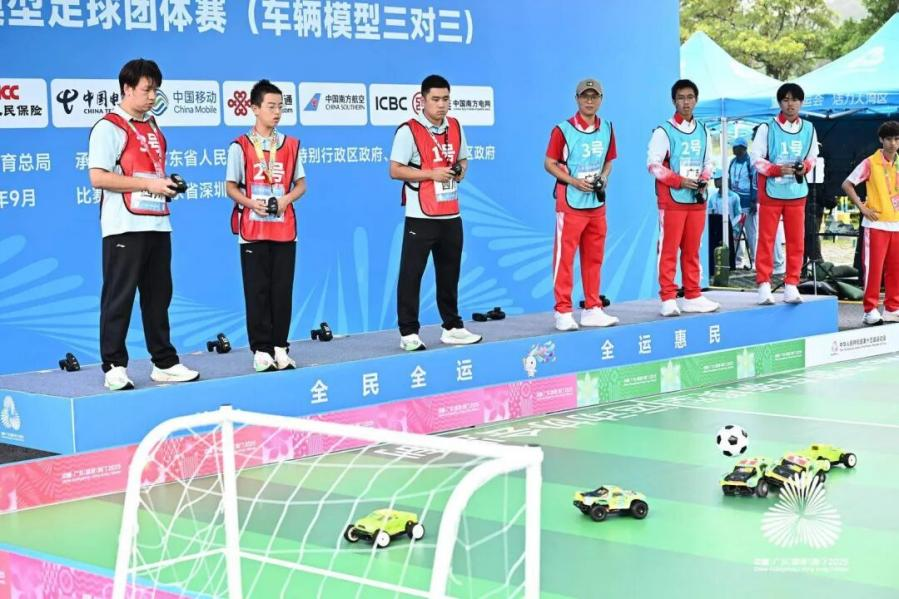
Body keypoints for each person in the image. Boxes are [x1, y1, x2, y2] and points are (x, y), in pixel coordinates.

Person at [88, 58, 199, 391]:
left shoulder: (153, 127)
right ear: (127, 88)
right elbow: (98, 177)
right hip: (123, 226)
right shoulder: (108, 127)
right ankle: (114, 366)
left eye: (156, 90)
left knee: (158, 297)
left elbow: (151, 173)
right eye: (147, 89)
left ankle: (164, 362)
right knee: (119, 297)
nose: (153, 96)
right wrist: (149, 184)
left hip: (157, 223)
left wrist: (165, 187)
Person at [388, 74, 482, 351]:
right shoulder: (409, 130)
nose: (441, 105)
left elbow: (463, 158)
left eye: (445, 99)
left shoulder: (455, 126)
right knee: (412, 274)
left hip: (451, 213)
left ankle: (452, 327)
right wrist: (431, 174)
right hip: (421, 215)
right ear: (422, 100)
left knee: (449, 273)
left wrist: (460, 171)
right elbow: (395, 170)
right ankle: (408, 332)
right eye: (435, 99)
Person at [226, 80, 307, 371]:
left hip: (283, 228)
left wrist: (286, 199)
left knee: (282, 291)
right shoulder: (240, 146)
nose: (277, 112)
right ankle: (261, 349)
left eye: (280, 107)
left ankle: (280, 346)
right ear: (254, 108)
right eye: (271, 106)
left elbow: (301, 185)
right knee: (257, 290)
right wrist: (251, 203)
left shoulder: (290, 145)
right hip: (253, 230)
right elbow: (230, 187)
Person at [543, 78, 619, 331]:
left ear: (601, 99)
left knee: (594, 257)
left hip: (596, 204)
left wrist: (604, 177)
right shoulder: (562, 130)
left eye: (594, 96)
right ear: (576, 99)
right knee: (564, 258)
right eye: (584, 96)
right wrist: (573, 181)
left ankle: (592, 308)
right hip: (571, 203)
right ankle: (563, 311)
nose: (589, 101)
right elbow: (549, 163)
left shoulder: (607, 128)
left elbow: (609, 161)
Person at [647, 79, 720, 316]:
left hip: (696, 198)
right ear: (673, 101)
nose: (686, 102)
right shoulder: (664, 131)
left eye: (690, 97)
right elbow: (653, 165)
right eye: (681, 98)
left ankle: (692, 295)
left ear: (696, 100)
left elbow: (709, 162)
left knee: (693, 249)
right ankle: (668, 298)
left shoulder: (703, 130)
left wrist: (704, 178)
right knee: (669, 249)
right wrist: (679, 181)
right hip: (672, 200)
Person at [749, 82, 819, 305]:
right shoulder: (767, 128)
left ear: (801, 103)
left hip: (796, 192)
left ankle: (791, 284)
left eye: (795, 100)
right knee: (766, 239)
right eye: (786, 100)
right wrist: (776, 170)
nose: (791, 104)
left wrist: (804, 167)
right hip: (771, 192)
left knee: (796, 240)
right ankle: (764, 284)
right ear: (780, 103)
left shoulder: (809, 128)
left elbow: (812, 157)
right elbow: (756, 159)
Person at [840, 120, 899, 326]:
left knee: (896, 270)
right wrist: (862, 208)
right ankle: (869, 310)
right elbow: (847, 184)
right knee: (874, 269)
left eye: (897, 139)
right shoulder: (870, 162)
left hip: (897, 224)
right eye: (889, 139)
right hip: (876, 225)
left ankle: (892, 308)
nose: (893, 143)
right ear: (881, 140)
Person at [728, 137, 756, 269]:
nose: (733, 149)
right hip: (735, 204)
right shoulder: (732, 162)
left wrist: (754, 201)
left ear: (743, 148)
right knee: (736, 232)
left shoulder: (750, 162)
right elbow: (729, 180)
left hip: (747, 203)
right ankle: (738, 261)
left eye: (735, 147)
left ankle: (755, 261)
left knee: (751, 233)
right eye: (733, 147)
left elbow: (755, 183)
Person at [707, 169, 740, 274]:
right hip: (716, 229)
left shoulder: (734, 197)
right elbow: (710, 212)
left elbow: (739, 215)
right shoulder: (712, 197)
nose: (715, 182)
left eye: (717, 179)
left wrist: (731, 225)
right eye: (715, 179)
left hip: (731, 228)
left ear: (724, 180)